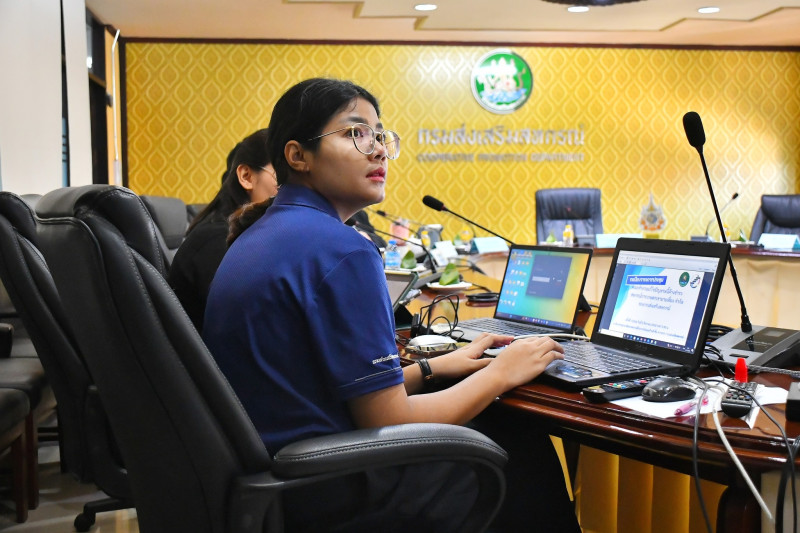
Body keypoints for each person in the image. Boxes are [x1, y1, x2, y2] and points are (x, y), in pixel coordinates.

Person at [204, 78, 580, 532]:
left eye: (380, 135)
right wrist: (501, 372)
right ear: (298, 155)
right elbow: (390, 421)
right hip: (331, 494)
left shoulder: (262, 235)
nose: (379, 150)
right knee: (519, 444)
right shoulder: (340, 250)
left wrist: (433, 368)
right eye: (355, 133)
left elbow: (318, 388)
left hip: (277, 484)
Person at [168, 128, 277, 332]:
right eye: (281, 176)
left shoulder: (251, 234)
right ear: (246, 176)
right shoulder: (216, 240)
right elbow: (244, 324)